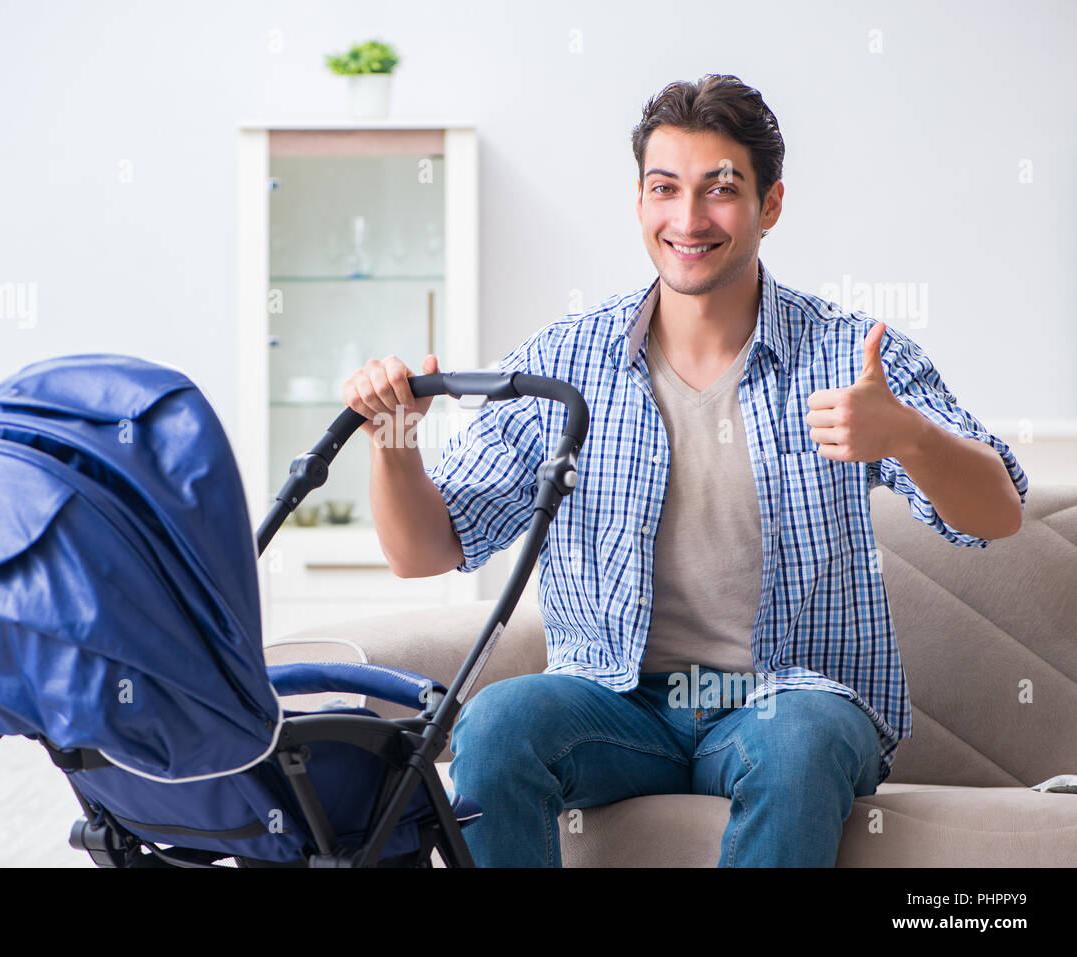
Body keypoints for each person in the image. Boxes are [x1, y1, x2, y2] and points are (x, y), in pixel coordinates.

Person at [340, 73, 1028, 867]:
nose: (689, 219)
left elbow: (999, 511)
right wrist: (393, 441)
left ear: (770, 206)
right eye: (664, 189)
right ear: (640, 203)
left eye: (721, 190)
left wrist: (907, 434)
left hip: (783, 700)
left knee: (799, 741)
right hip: (613, 703)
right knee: (495, 726)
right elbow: (422, 550)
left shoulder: (850, 353)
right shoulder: (565, 360)